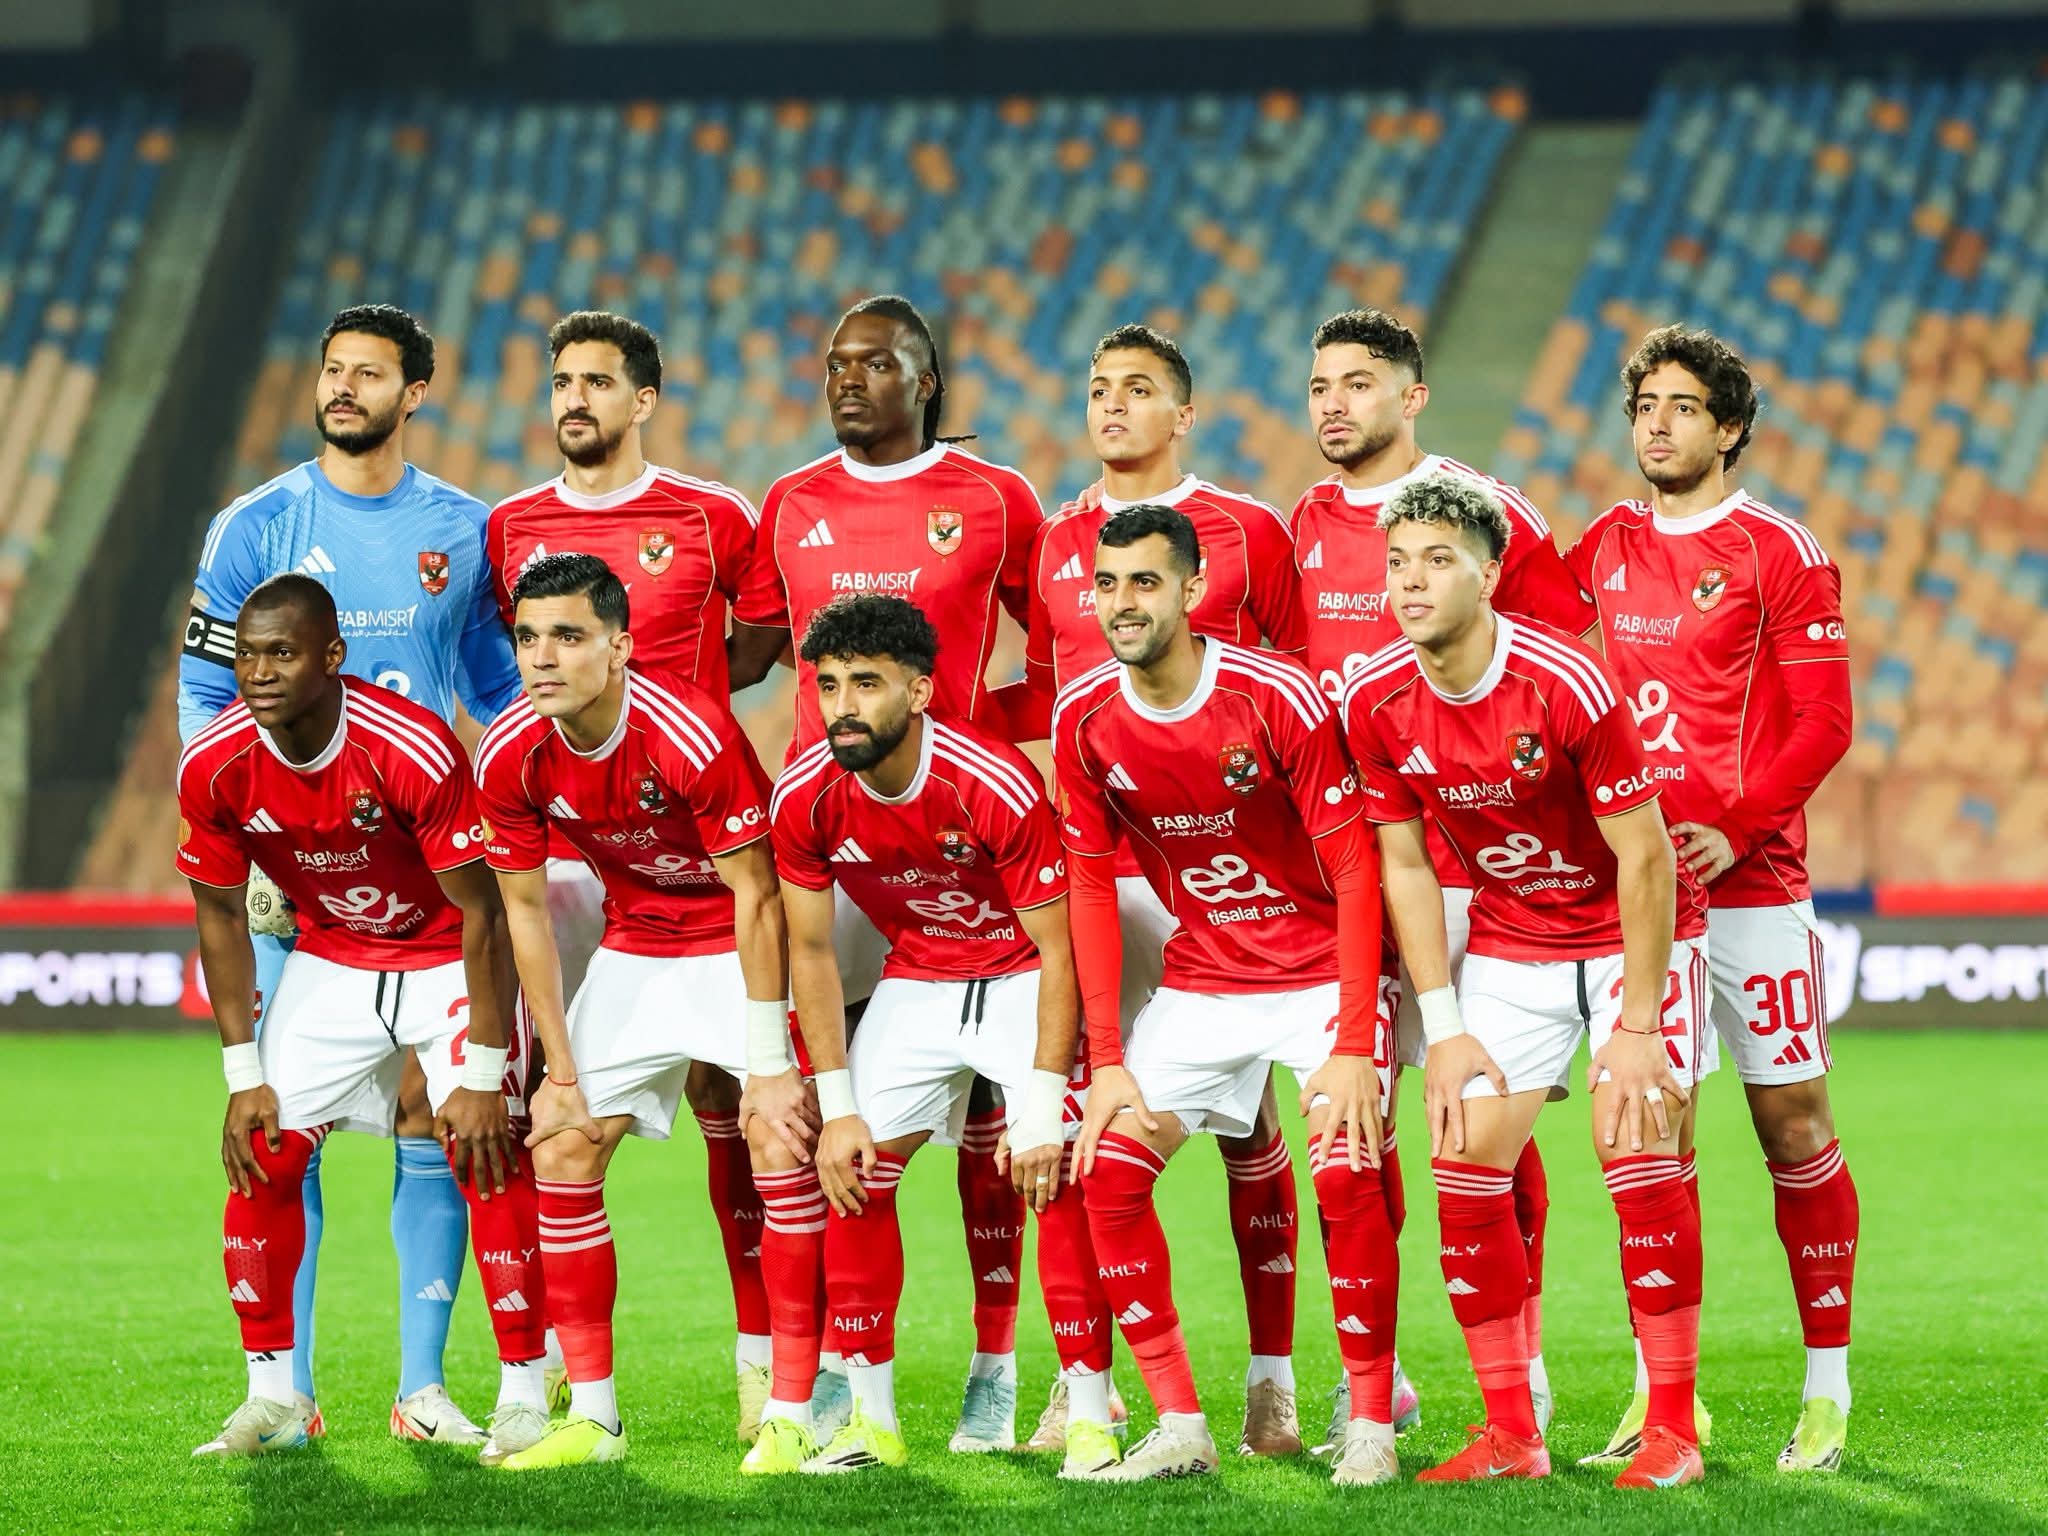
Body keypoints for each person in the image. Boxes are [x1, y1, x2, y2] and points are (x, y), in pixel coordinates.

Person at [176, 303, 524, 1443]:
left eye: (370, 373)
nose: (343, 388)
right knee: (284, 1130)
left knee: (442, 1119)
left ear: (412, 393)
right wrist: (256, 836)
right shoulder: (255, 524)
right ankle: (287, 1394)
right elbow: (205, 693)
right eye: (333, 370)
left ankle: (423, 1389)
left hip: (432, 865)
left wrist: (520, 822)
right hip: (301, 881)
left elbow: (493, 686)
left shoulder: (465, 528)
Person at [1339, 473, 1710, 1489]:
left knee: (1636, 1149)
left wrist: (1638, 1024)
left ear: (1490, 575)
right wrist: (1444, 1023)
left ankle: (1671, 1429)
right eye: (1397, 563)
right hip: (1513, 938)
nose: (1411, 582)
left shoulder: (1564, 682)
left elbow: (1646, 858)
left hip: (1633, 938)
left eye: (1437, 560)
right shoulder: (1374, 699)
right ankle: (1513, 1435)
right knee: (1462, 1165)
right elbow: (1405, 866)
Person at [729, 294, 1045, 1443]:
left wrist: (986, 735)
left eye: (874, 363)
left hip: (965, 832)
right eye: (833, 364)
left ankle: (995, 1362)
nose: (847, 380)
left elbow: (1060, 651)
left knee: (998, 1124)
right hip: (831, 844)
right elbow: (745, 658)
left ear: (926, 380)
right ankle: (817, 1374)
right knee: (823, 1112)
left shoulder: (996, 498)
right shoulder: (789, 502)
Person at [1003, 323, 1307, 1455]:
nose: (1112, 405)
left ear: (1183, 415)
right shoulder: (1053, 540)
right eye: (1098, 388)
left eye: (1138, 389)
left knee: (1250, 1127)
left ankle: (1272, 1382)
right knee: (1085, 1122)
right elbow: (1048, 697)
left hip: (1225, 885)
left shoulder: (1246, 529)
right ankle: (1085, 1380)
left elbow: (1301, 686)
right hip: (1096, 870)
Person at [1292, 307, 1594, 1440]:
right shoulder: (1303, 522)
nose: (1335, 404)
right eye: (1321, 385)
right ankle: (1372, 1378)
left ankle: (1522, 1371)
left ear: (1411, 397)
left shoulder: (1485, 511)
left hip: (1471, 874)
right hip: (1349, 870)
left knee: (1479, 1129)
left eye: (1359, 383)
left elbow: (1559, 670)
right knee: (1349, 1127)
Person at [1053, 504, 1400, 1487]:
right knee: (1106, 1176)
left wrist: (1351, 1040)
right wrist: (1108, 1060)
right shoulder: (1084, 717)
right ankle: (1180, 1425)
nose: (1122, 603)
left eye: (1144, 582)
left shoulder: (1271, 695)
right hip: (1205, 976)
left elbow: (1355, 867)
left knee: (1345, 1174)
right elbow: (1088, 886)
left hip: (1320, 970)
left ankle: (1369, 1423)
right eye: (1106, 584)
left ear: (1193, 589)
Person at [1567, 325, 1857, 1473]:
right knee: (1653, 1135)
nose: (1656, 423)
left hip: (1752, 888)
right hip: (1644, 895)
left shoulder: (1778, 551)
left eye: (1681, 406)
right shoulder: (1602, 543)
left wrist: (1733, 831)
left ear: (1728, 428)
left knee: (1792, 1124)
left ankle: (1824, 1388)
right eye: (1644, 404)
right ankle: (1661, 1397)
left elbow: (1822, 724)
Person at [484, 312, 777, 1438]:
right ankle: (571, 1400)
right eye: (560, 381)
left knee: (750, 1121)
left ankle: (775, 1372)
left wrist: (676, 721)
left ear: (642, 400)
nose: (574, 399)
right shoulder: (511, 525)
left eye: (597, 382)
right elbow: (500, 658)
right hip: (598, 876)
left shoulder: (712, 515)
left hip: (713, 840)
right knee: (553, 1124)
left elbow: (764, 638)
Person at [765, 593, 1109, 1477]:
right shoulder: (804, 794)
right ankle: (870, 1425)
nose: (843, 705)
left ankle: (1089, 1416)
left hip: (1021, 972)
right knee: (852, 1172)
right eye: (829, 685)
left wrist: (1042, 1103)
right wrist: (837, 1105)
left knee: (1059, 1171)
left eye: (866, 684)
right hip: (917, 975)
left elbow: (1060, 948)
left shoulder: (991, 781)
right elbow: (810, 950)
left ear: (918, 692)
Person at [469, 554, 799, 1471]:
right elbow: (525, 911)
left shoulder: (689, 733)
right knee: (561, 1144)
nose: (542, 658)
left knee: (779, 1144)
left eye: (568, 637)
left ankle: (791, 1400)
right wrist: (560, 1071)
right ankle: (594, 1418)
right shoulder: (510, 750)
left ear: (619, 646)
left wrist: (768, 1061)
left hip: (733, 941)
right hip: (638, 942)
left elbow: (758, 894)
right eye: (528, 638)